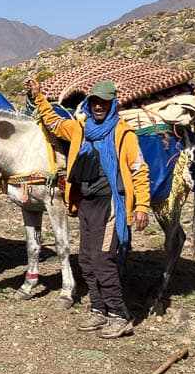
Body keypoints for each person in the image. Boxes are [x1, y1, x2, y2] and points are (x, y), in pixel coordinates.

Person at [25, 78, 150, 339]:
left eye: (103, 102)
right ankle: (98, 309)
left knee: (104, 259)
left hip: (111, 204)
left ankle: (119, 315)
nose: (98, 106)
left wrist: (141, 206)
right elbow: (55, 124)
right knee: (86, 260)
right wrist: (39, 98)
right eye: (94, 101)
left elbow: (139, 171)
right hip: (87, 203)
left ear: (112, 104)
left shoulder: (123, 134)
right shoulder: (81, 128)